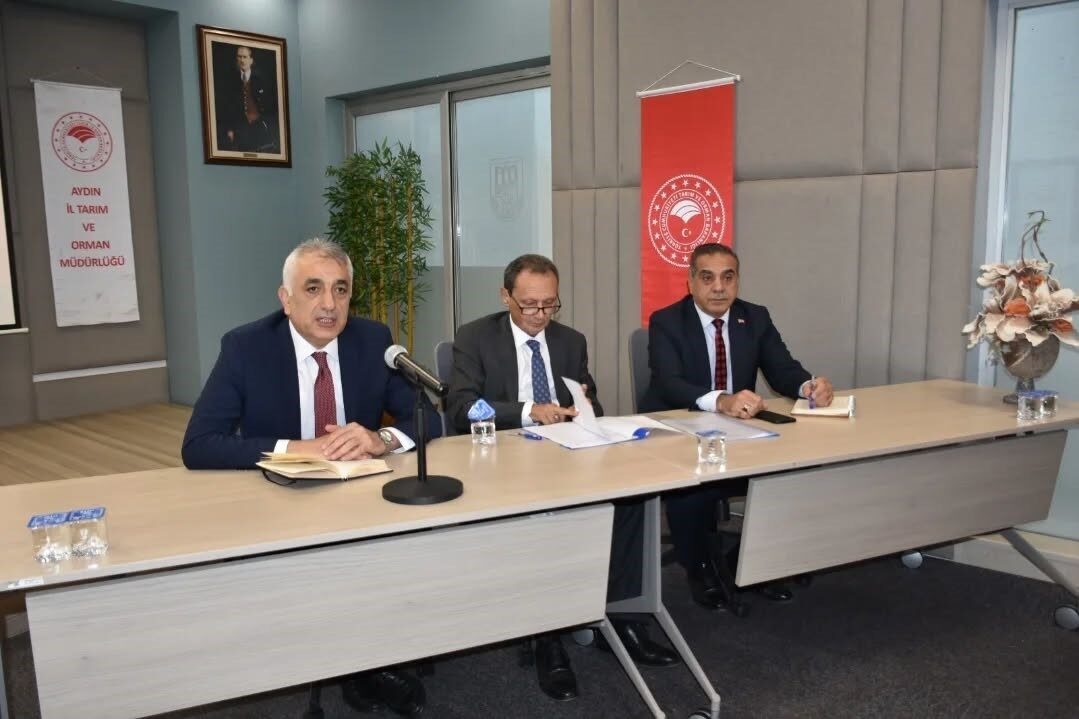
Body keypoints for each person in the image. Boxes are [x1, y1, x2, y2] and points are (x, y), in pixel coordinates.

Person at [183, 237, 438, 717]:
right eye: (313, 288)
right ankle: (346, 663)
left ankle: (372, 657)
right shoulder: (246, 347)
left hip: (359, 495)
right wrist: (295, 448)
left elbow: (427, 418)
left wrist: (379, 439)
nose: (329, 304)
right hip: (281, 501)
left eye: (341, 290)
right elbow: (198, 445)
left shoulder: (373, 341)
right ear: (286, 299)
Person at [447, 254, 679, 703]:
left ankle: (623, 615)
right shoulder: (475, 338)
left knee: (630, 499)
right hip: (504, 460)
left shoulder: (570, 341)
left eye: (550, 304)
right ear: (505, 296)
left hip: (566, 453)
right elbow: (462, 408)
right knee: (548, 515)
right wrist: (527, 412)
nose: (540, 316)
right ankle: (546, 637)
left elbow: (592, 403)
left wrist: (584, 408)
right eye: (529, 305)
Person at [641, 243, 834, 612]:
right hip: (678, 428)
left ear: (737, 281)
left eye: (727, 278)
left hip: (739, 433)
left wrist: (808, 386)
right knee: (692, 485)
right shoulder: (667, 321)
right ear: (690, 282)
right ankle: (700, 569)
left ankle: (749, 565)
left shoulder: (754, 317)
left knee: (793, 471)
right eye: (707, 278)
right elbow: (670, 383)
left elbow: (782, 370)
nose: (718, 287)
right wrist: (721, 400)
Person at [216, 45, 279, 153]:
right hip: (239, 126)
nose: (242, 60)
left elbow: (270, 106)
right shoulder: (229, 80)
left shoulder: (261, 79)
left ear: (251, 60)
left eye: (245, 57)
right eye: (239, 57)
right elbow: (225, 107)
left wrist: (267, 125)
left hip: (259, 124)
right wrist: (229, 129)